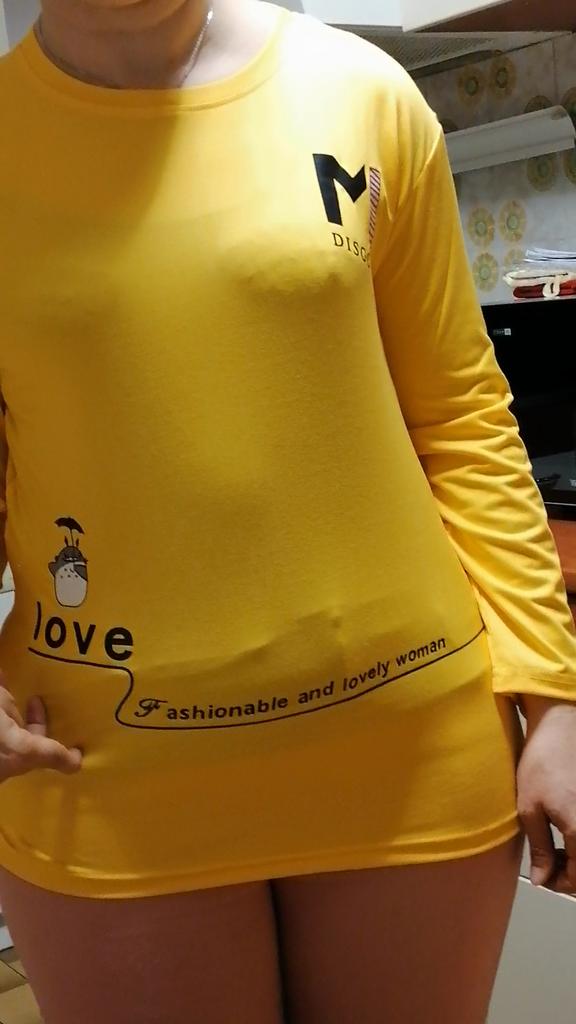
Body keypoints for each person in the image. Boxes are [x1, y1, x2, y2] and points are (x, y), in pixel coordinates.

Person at [0, 1, 575, 1021]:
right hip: (101, 764)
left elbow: (461, 417)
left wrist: (556, 696)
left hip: (412, 749)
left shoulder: (359, 93)